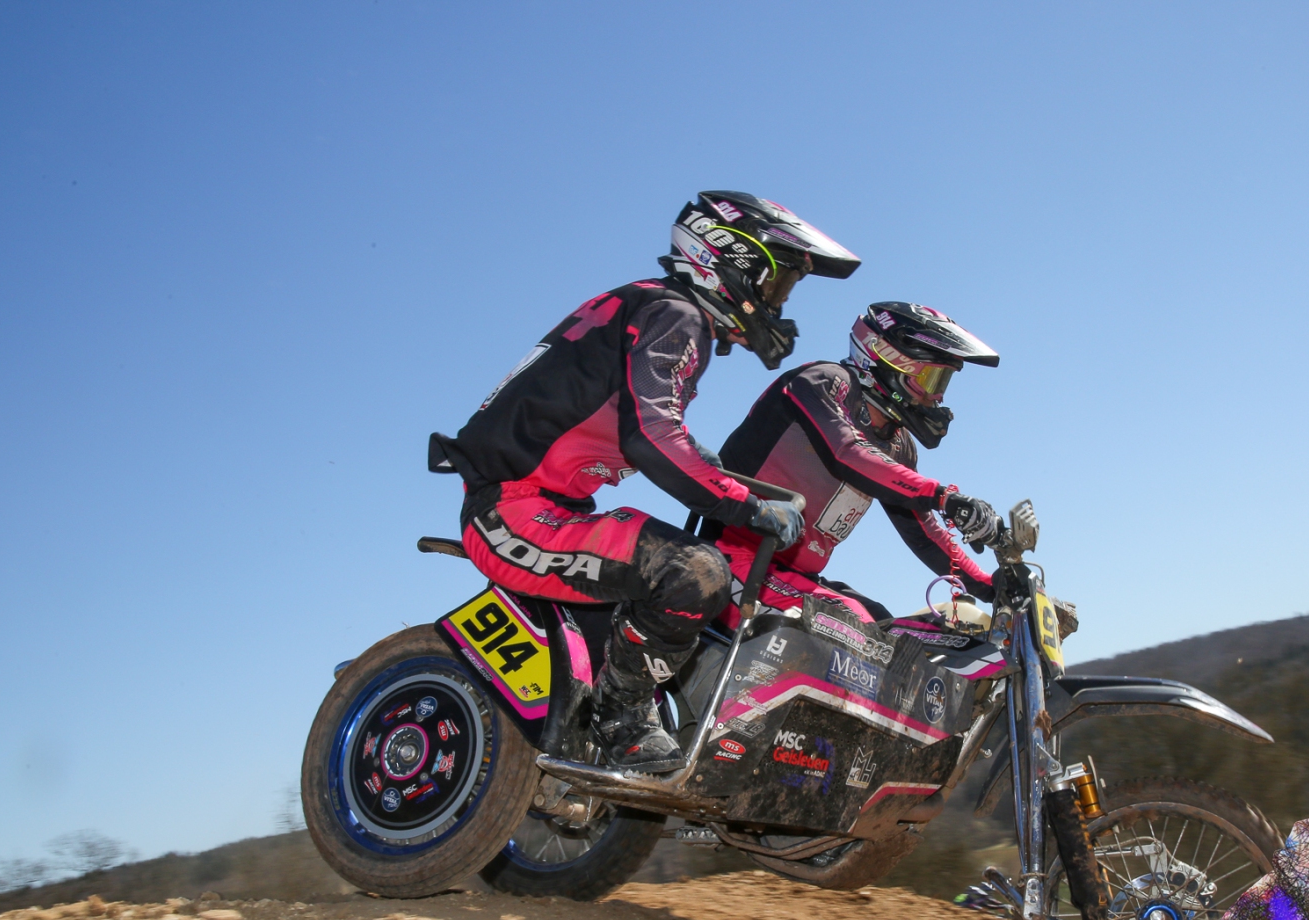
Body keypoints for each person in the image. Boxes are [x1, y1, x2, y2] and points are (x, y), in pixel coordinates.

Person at [428, 192, 859, 771]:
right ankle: (621, 718)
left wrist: (729, 481)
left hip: (545, 507)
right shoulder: (678, 315)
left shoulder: (651, 304)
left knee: (667, 590)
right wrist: (747, 506)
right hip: (513, 511)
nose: (778, 303)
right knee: (696, 573)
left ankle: (607, 737)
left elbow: (651, 424)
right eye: (777, 283)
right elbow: (651, 437)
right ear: (731, 260)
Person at [710, 302, 1002, 625]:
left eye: (943, 383)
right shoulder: (824, 381)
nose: (939, 397)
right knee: (855, 629)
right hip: (731, 558)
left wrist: (991, 587)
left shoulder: (899, 444)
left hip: (797, 578)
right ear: (889, 360)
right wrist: (944, 497)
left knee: (902, 633)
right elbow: (847, 453)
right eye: (933, 380)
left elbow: (924, 533)